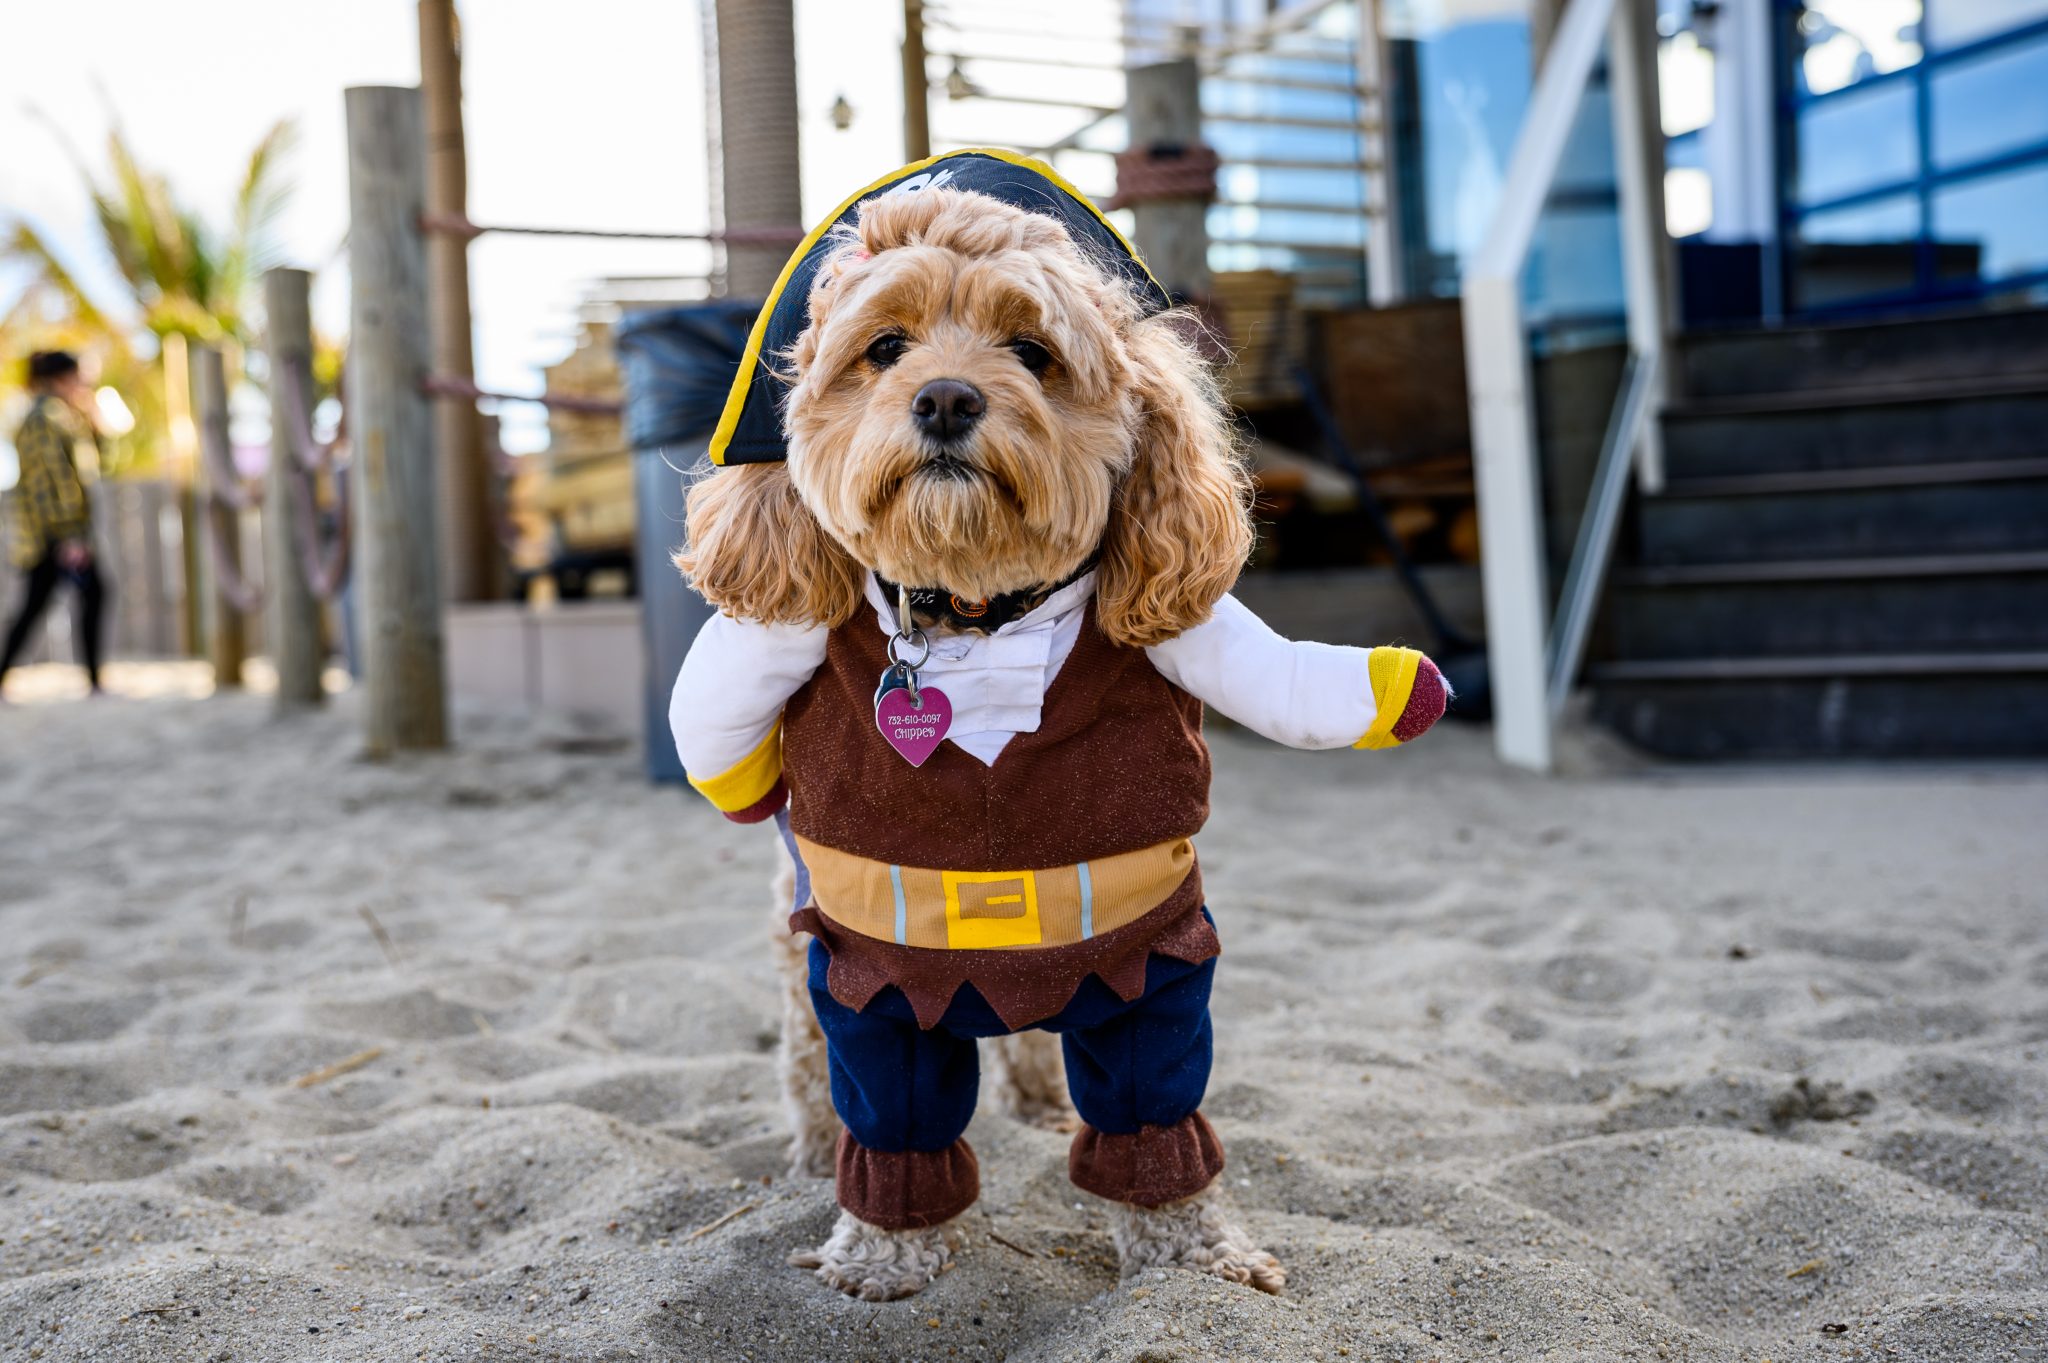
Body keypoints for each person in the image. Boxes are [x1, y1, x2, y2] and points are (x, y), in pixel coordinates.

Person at [2, 351, 108, 695]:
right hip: (52, 535)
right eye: (77, 377)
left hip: (54, 534)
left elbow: (90, 465)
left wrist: (95, 422)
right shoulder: (43, 419)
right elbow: (52, 483)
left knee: (37, 606)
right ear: (61, 378)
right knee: (91, 594)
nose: (82, 385)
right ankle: (94, 682)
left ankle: (94, 680)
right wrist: (69, 536)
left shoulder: (63, 416)